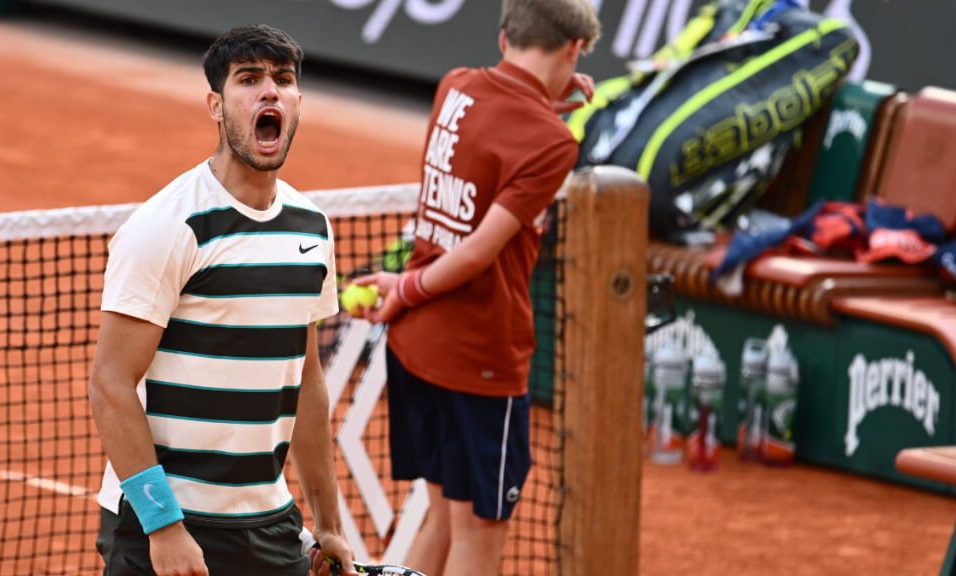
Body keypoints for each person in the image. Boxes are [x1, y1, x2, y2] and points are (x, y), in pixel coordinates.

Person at [88, 25, 354, 576]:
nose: (270, 92)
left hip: (270, 525)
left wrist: (327, 524)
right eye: (249, 79)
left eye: (283, 80)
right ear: (216, 104)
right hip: (163, 525)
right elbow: (110, 385)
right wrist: (164, 528)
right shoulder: (169, 226)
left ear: (298, 101)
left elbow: (306, 381)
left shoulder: (312, 229)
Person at [354, 1, 601, 574]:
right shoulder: (553, 142)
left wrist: (405, 291)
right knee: (481, 537)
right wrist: (408, 288)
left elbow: (500, 124)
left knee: (442, 519)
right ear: (573, 49)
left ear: (504, 35)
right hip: (480, 360)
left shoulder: (455, 87)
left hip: (416, 348)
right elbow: (478, 250)